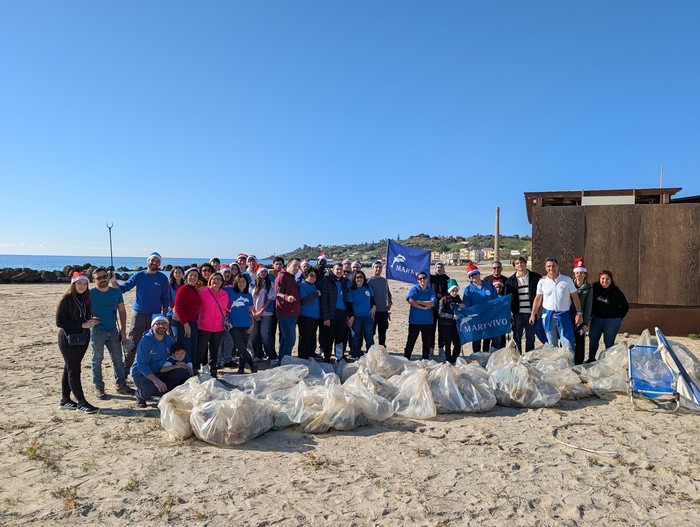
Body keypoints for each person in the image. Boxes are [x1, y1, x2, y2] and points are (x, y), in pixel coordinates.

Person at [111, 252, 170, 374]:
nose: (155, 263)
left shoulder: (162, 278)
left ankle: (148, 371)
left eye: (158, 261)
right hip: (138, 315)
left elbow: (165, 299)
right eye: (153, 260)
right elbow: (123, 288)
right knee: (132, 344)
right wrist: (113, 281)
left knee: (152, 344)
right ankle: (124, 373)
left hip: (155, 317)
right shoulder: (139, 275)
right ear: (148, 261)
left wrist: (164, 317)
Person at [56, 272, 100, 413]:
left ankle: (65, 400)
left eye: (85, 283)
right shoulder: (67, 299)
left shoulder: (85, 298)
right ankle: (81, 403)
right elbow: (60, 322)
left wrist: (91, 319)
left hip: (82, 338)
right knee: (74, 370)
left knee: (69, 368)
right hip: (68, 338)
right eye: (79, 283)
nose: (82, 286)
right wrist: (82, 325)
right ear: (73, 284)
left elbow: (82, 317)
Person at [89, 266, 132, 400]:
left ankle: (121, 384)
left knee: (118, 360)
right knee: (97, 359)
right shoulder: (89, 293)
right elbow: (81, 308)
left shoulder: (116, 293)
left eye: (104, 276)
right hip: (96, 331)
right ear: (93, 280)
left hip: (113, 331)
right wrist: (88, 319)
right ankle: (98, 386)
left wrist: (123, 330)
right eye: (99, 278)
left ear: (108, 277)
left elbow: (122, 311)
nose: (102, 279)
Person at [132, 315, 190, 408]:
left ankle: (167, 394)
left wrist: (187, 366)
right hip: (143, 375)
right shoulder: (145, 341)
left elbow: (179, 352)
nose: (161, 326)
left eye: (164, 323)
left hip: (161, 371)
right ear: (152, 326)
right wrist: (156, 380)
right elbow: (142, 365)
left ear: (167, 326)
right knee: (154, 390)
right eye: (157, 323)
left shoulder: (169, 340)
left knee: (183, 373)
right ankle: (140, 394)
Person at [529, 257, 583, 354]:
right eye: (549, 266)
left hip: (564, 316)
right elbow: (538, 299)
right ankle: (555, 366)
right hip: (548, 317)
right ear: (546, 268)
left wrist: (579, 313)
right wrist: (533, 314)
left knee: (567, 343)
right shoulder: (542, 282)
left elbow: (575, 297)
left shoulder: (567, 280)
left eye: (554, 265)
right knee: (551, 345)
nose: (551, 268)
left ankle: (568, 365)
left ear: (558, 267)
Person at [587, 270, 629, 362]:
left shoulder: (616, 291)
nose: (605, 281)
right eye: (603, 279)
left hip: (612, 320)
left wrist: (619, 316)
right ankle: (591, 358)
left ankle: (607, 361)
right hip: (597, 318)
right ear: (599, 279)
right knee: (593, 339)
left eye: (607, 279)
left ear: (611, 280)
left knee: (609, 342)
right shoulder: (595, 288)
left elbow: (625, 306)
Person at [505, 256, 542, 353]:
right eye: (517, 263)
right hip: (517, 314)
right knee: (517, 338)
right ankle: (518, 358)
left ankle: (528, 358)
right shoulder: (510, 281)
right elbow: (506, 300)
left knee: (530, 339)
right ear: (515, 267)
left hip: (531, 314)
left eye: (522, 262)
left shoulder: (536, 277)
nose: (520, 265)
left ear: (526, 264)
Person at [196, 272, 229, 377]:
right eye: (214, 278)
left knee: (214, 350)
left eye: (219, 279)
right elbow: (196, 305)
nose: (217, 281)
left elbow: (227, 309)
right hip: (204, 325)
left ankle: (213, 369)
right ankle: (196, 369)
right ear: (210, 280)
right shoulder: (203, 291)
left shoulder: (224, 294)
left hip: (219, 326)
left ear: (222, 282)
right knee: (201, 349)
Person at [462, 263, 499, 352]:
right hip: (475, 318)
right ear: (469, 278)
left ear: (479, 274)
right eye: (471, 275)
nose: (474, 277)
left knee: (487, 338)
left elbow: (496, 301)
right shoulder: (468, 289)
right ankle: (477, 356)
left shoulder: (489, 286)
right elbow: (466, 304)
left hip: (488, 317)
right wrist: (459, 306)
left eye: (475, 274)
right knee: (476, 339)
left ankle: (486, 356)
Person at [226, 274, 257, 374]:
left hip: (246, 324)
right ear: (235, 282)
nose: (242, 283)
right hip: (234, 325)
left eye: (244, 281)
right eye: (239, 281)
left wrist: (252, 325)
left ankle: (241, 369)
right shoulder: (230, 291)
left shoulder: (248, 295)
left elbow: (250, 311)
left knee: (243, 347)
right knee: (241, 347)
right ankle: (252, 364)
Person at [319, 262, 350, 362]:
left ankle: (339, 356)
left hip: (342, 313)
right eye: (337, 269)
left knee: (340, 337)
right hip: (331, 313)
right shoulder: (326, 281)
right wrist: (326, 317)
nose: (340, 271)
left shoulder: (344, 282)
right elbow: (323, 301)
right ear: (332, 270)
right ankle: (327, 358)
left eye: (341, 269)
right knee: (329, 338)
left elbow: (347, 300)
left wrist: (348, 315)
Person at [404, 271, 436, 360]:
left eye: (424, 278)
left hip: (428, 321)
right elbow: (411, 300)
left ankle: (425, 360)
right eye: (420, 278)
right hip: (415, 320)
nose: (422, 280)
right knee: (411, 341)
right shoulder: (414, 289)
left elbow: (432, 303)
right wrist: (422, 307)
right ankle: (406, 358)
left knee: (426, 343)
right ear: (418, 280)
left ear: (427, 279)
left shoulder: (430, 291)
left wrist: (419, 301)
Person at [173, 267, 202, 362]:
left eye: (196, 276)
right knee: (184, 348)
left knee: (193, 347)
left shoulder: (195, 290)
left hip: (193, 323)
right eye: (191, 275)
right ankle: (183, 370)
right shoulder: (182, 289)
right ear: (186, 277)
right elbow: (178, 309)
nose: (193, 277)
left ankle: (192, 369)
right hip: (182, 323)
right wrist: (186, 325)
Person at [275, 258, 301, 361]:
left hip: (293, 313)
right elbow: (277, 293)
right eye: (294, 265)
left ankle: (282, 361)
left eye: (298, 266)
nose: (296, 268)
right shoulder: (282, 277)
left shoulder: (291, 277)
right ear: (288, 266)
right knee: (290, 340)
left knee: (285, 340)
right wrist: (286, 297)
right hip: (285, 313)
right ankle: (285, 362)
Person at [251, 264, 277, 363]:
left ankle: (271, 355)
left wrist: (261, 310)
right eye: (261, 271)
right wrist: (254, 312)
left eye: (265, 271)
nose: (263, 273)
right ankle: (258, 354)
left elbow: (271, 298)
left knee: (265, 334)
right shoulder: (252, 284)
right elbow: (250, 299)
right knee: (254, 335)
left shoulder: (269, 284)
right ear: (258, 273)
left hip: (266, 312)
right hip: (254, 313)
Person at [347, 270, 376, 359]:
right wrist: (351, 317)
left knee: (369, 337)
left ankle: (371, 356)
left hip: (368, 316)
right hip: (356, 317)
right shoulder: (351, 289)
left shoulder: (367, 287)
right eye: (357, 277)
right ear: (354, 279)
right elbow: (349, 304)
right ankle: (356, 355)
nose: (359, 279)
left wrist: (374, 306)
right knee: (356, 337)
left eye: (361, 277)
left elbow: (372, 300)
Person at [570, 257, 593, 365]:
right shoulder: (569, 285)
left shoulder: (588, 289)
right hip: (568, 317)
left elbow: (588, 307)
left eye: (582, 273)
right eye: (577, 273)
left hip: (581, 318)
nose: (579, 275)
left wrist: (585, 323)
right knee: (567, 340)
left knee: (579, 341)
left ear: (585, 274)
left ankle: (578, 363)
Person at [438, 278, 465, 364]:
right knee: (448, 343)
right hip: (446, 325)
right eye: (453, 290)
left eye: (456, 290)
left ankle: (455, 359)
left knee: (457, 343)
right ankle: (448, 360)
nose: (455, 292)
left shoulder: (458, 299)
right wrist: (451, 316)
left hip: (456, 325)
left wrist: (462, 307)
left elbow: (463, 307)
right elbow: (441, 313)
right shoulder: (444, 299)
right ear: (450, 290)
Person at [367, 260, 392, 346]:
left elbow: (388, 293)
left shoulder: (384, 281)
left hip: (383, 311)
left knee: (382, 333)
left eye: (380, 267)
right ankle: (371, 349)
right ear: (373, 268)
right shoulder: (369, 281)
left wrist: (390, 303)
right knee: (371, 332)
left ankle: (382, 348)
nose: (378, 269)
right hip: (372, 312)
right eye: (376, 267)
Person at [298, 267, 321, 360]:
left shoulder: (313, 285)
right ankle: (303, 357)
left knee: (312, 337)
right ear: (306, 275)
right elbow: (304, 301)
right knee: (305, 338)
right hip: (306, 316)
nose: (313, 278)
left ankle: (311, 353)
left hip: (315, 316)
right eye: (311, 275)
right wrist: (316, 294)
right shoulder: (302, 285)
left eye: (315, 276)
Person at [430, 262, 450, 355]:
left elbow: (449, 291)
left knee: (442, 329)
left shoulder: (447, 279)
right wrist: (436, 295)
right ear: (435, 269)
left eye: (441, 267)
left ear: (443, 269)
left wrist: (442, 296)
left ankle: (441, 348)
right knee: (432, 328)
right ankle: (431, 348)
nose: (439, 269)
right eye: (437, 267)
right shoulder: (431, 278)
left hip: (443, 306)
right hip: (433, 306)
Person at [483, 278, 508, 350]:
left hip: (499, 322)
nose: (498, 289)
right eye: (496, 287)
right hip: (489, 321)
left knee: (498, 340)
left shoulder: (504, 298)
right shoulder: (489, 297)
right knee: (487, 340)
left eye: (500, 287)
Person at [167, 266, 185, 339]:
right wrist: (175, 309)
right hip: (172, 314)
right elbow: (167, 299)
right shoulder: (169, 285)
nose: (178, 274)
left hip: (183, 313)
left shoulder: (185, 285)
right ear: (173, 274)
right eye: (176, 272)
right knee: (172, 336)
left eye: (180, 272)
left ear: (182, 274)